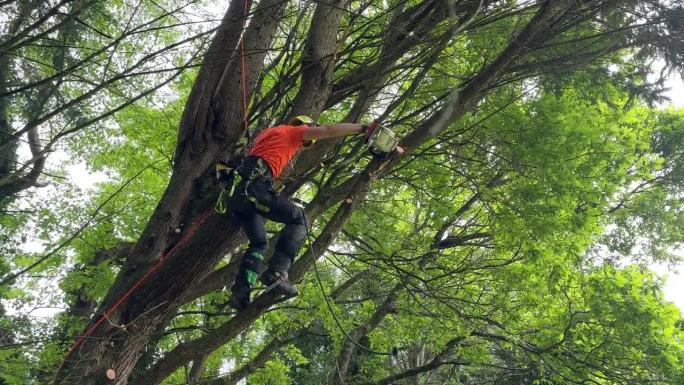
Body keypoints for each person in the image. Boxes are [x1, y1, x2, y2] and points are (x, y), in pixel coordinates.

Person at [227, 116, 372, 311]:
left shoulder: (266, 134)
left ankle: (240, 294)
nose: (303, 144)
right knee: (300, 217)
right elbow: (329, 130)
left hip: (238, 196)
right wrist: (363, 128)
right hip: (255, 190)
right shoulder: (293, 132)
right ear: (305, 126)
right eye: (307, 138)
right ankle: (276, 273)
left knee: (259, 243)